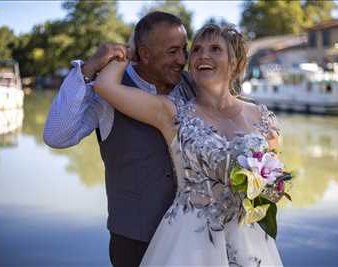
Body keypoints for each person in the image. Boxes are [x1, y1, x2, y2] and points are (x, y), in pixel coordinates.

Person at [94, 24, 283, 266]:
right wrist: (130, 53)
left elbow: (275, 185)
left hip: (249, 238)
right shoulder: (171, 112)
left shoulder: (262, 117)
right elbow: (104, 86)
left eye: (215, 49)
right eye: (196, 50)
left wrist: (264, 188)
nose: (203, 55)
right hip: (189, 239)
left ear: (234, 62)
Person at [43, 12, 195, 267]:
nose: (182, 59)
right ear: (144, 54)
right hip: (135, 244)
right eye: (172, 51)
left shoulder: (192, 85)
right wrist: (89, 68)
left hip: (193, 235)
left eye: (184, 49)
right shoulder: (106, 92)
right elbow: (56, 135)